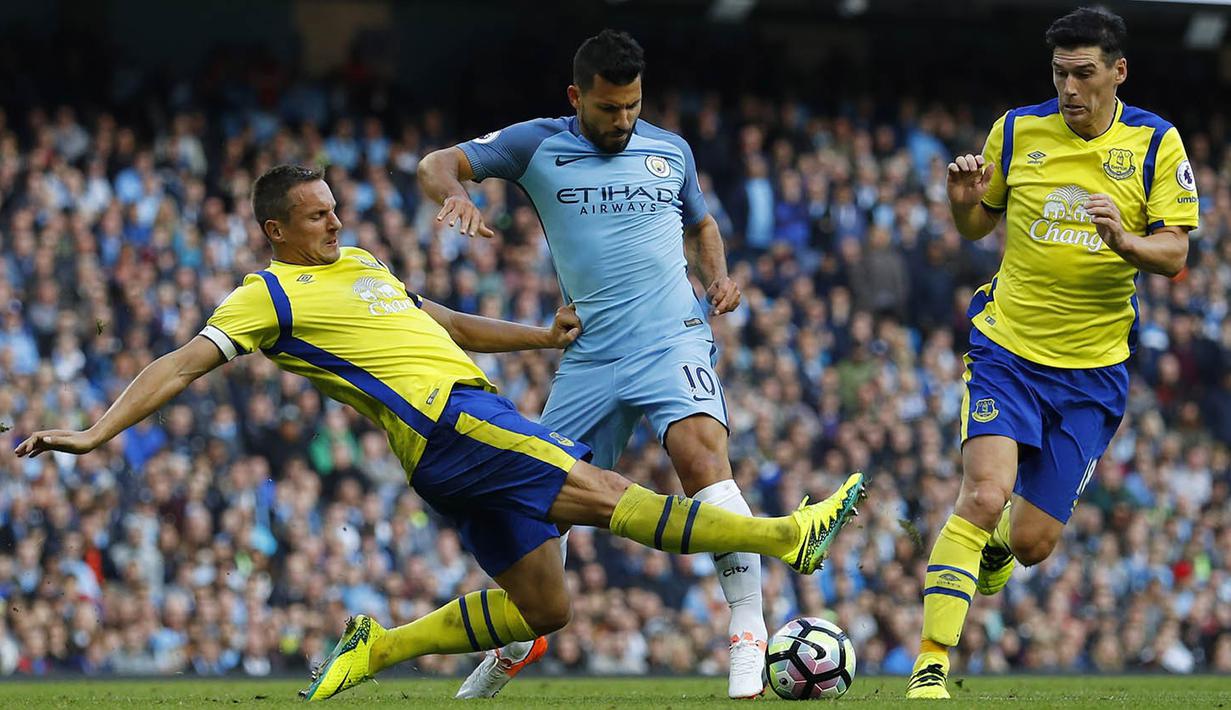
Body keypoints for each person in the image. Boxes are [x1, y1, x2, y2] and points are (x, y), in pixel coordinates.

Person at [14, 165, 867, 702]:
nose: (336, 224)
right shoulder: (264, 295)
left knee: (546, 607)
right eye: (317, 218)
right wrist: (94, 433)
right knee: (608, 496)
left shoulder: (362, 266)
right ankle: (786, 534)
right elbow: (178, 363)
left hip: (443, 451)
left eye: (335, 210)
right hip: (455, 422)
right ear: (276, 230)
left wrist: (535, 336)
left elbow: (437, 319)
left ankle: (375, 648)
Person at [418, 30, 766, 699]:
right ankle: (519, 638)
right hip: (589, 355)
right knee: (544, 513)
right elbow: (437, 162)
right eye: (609, 110)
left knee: (700, 456)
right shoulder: (535, 145)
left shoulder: (671, 150)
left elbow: (701, 225)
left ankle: (747, 631)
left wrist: (716, 277)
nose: (623, 122)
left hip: (672, 338)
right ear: (577, 97)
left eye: (633, 107)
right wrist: (453, 195)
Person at [906, 7, 1198, 699]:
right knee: (981, 493)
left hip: (1091, 374)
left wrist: (1127, 242)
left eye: (1084, 74)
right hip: (1006, 350)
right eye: (1060, 73)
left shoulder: (1156, 143)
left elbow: (1175, 251)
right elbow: (978, 224)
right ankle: (929, 664)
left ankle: (1001, 550)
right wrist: (960, 202)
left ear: (1116, 72)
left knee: (1032, 542)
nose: (1069, 88)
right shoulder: (1014, 130)